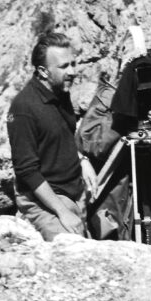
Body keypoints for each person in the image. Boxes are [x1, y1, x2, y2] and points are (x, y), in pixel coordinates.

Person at [77, 49, 151, 240]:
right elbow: (88, 144)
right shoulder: (108, 99)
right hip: (112, 195)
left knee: (146, 239)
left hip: (145, 198)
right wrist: (123, 115)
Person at [7, 31, 96, 241]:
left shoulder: (60, 92)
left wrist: (82, 160)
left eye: (73, 64)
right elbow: (27, 170)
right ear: (43, 71)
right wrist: (62, 212)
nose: (72, 71)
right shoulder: (24, 108)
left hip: (74, 194)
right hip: (46, 203)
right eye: (64, 66)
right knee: (70, 249)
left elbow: (62, 137)